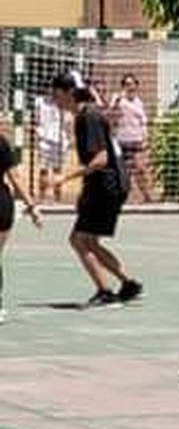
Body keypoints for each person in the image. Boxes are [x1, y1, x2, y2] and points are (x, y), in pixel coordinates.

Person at [52, 71, 142, 308]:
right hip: (105, 184)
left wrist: (65, 178)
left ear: (69, 93)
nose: (55, 100)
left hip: (107, 184)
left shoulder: (88, 117)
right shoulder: (87, 115)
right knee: (88, 240)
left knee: (80, 240)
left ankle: (105, 291)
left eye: (57, 94)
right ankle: (128, 283)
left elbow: (101, 159)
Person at [0, 117, 44, 322]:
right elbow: (15, 177)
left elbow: (15, 177)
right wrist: (32, 206)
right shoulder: (1, 142)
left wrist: (32, 205)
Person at [110, 73, 154, 205]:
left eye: (132, 84)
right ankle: (121, 198)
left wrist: (146, 138)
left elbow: (143, 122)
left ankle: (147, 196)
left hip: (136, 140)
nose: (130, 87)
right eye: (127, 84)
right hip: (122, 140)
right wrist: (117, 100)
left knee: (140, 168)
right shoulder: (119, 100)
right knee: (123, 171)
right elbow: (111, 114)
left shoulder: (139, 102)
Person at [33, 92, 67, 204]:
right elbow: (35, 119)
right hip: (45, 138)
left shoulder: (64, 101)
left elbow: (68, 120)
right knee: (44, 170)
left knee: (57, 169)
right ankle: (42, 197)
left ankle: (57, 198)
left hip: (59, 139)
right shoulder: (40, 101)